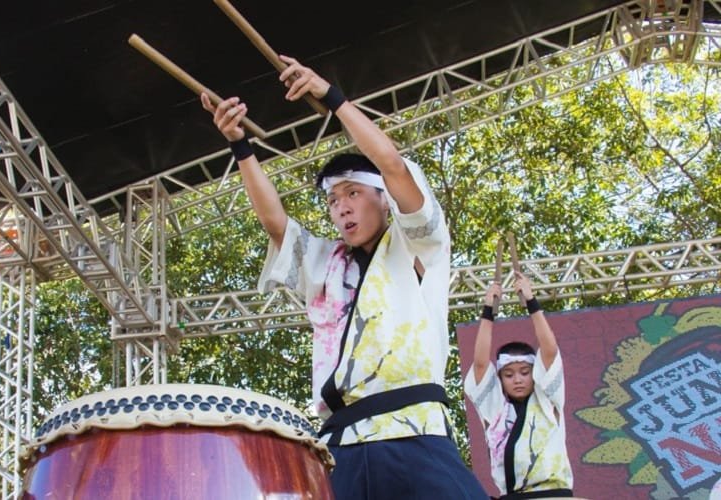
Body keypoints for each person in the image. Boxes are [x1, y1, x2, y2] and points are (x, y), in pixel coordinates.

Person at [200, 55, 487, 499]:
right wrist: (240, 146)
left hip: (414, 431)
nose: (342, 207)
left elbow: (390, 163)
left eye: (353, 192)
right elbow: (276, 224)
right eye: (333, 200)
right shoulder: (325, 263)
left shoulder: (420, 244)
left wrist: (331, 98)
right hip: (340, 446)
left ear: (383, 199)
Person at [464, 271, 575, 498]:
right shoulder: (495, 411)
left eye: (525, 372)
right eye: (509, 375)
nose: (517, 379)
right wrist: (487, 311)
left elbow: (550, 351)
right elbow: (480, 364)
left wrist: (532, 302)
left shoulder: (547, 399)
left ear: (534, 375)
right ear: (501, 380)